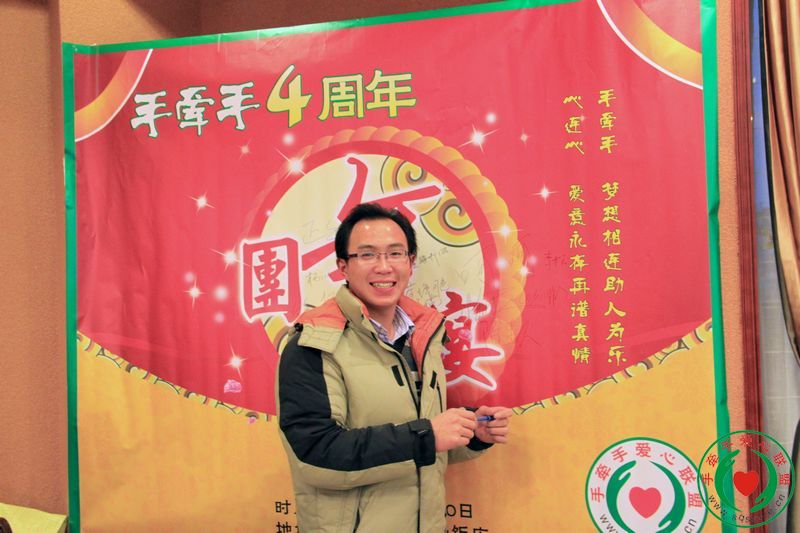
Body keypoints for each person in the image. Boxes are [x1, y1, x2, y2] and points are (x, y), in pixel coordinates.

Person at [277, 202, 512, 532]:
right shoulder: (313, 343)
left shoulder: (424, 335)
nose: (384, 267)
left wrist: (471, 435)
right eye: (367, 254)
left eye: (395, 253)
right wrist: (426, 436)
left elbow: (422, 447)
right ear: (343, 266)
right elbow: (314, 454)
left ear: (411, 262)